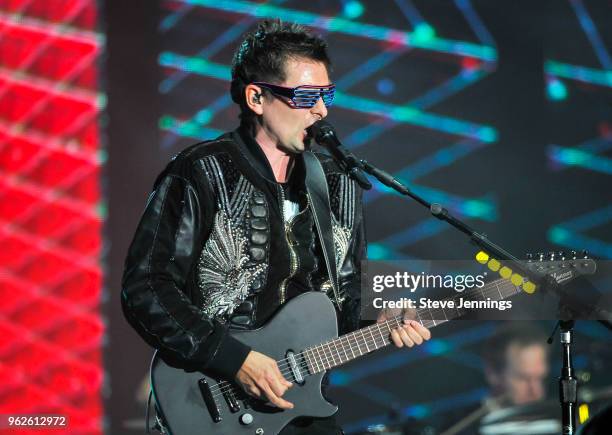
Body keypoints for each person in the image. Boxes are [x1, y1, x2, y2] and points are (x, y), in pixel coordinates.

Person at [121, 19, 430, 434]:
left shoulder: (338, 185)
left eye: (326, 95)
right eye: (305, 96)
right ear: (257, 97)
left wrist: (383, 319)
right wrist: (236, 359)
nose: (321, 110)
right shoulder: (201, 173)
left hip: (302, 407)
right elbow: (146, 287)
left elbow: (344, 300)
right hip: (211, 400)